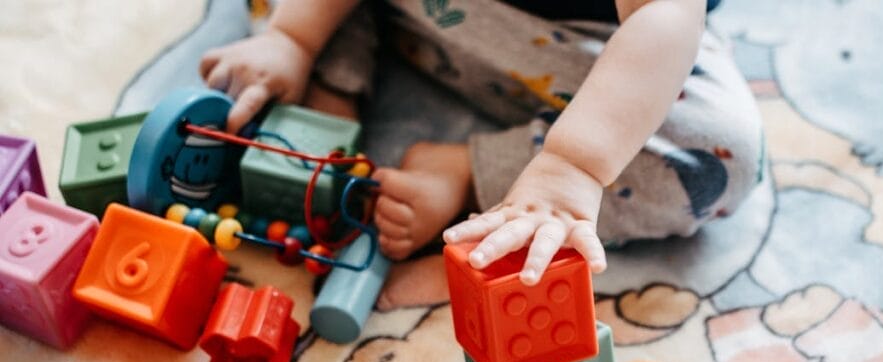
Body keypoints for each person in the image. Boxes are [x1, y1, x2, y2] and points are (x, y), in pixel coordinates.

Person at [200, 0, 762, 285]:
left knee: (718, 154)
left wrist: (571, 167)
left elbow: (661, 19)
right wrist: (291, 37)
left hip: (597, 46)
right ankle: (326, 81)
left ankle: (466, 171)